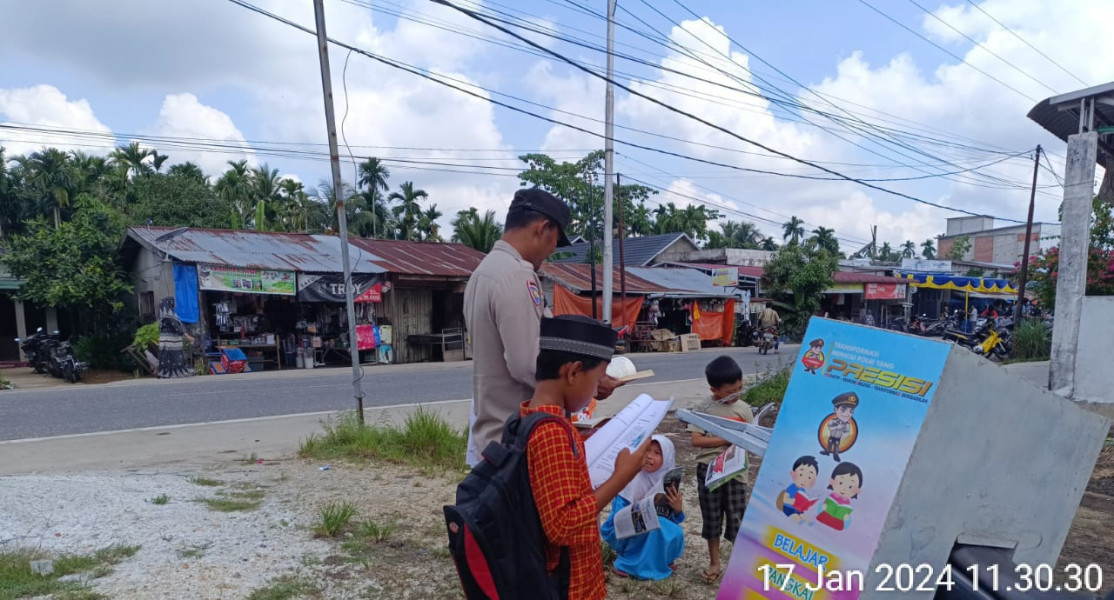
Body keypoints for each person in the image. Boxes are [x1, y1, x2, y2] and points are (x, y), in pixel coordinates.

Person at [464, 188, 625, 467]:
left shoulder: (484, 272)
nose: (551, 252)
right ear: (543, 228)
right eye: (555, 242)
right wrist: (586, 385)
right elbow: (529, 364)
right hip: (518, 442)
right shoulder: (517, 275)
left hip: (493, 440)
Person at [522, 314, 652, 600]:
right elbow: (563, 525)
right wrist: (622, 477)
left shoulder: (530, 417)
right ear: (573, 372)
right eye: (597, 379)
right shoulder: (551, 434)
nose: (598, 389)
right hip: (570, 584)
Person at [687, 355, 754, 583]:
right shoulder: (704, 408)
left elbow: (750, 439)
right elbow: (696, 440)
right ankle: (715, 562)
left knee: (737, 517)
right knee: (712, 518)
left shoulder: (744, 409)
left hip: (736, 472)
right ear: (714, 390)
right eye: (730, 391)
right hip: (709, 470)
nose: (737, 394)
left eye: (740, 388)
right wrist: (727, 438)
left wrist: (741, 438)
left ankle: (739, 564)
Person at [600, 435, 686, 580]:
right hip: (625, 530)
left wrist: (677, 509)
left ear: (667, 459)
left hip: (652, 527)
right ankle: (631, 564)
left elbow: (673, 519)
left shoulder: (666, 481)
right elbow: (617, 517)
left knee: (674, 531)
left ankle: (660, 560)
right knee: (655, 528)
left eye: (657, 453)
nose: (650, 457)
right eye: (647, 451)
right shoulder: (632, 478)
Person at [157, 297, 194, 378]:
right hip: (171, 339)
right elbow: (176, 326)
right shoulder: (169, 315)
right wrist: (185, 335)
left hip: (165, 339)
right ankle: (174, 372)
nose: (174, 304)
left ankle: (165, 372)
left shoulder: (163, 314)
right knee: (174, 355)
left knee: (166, 356)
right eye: (172, 302)